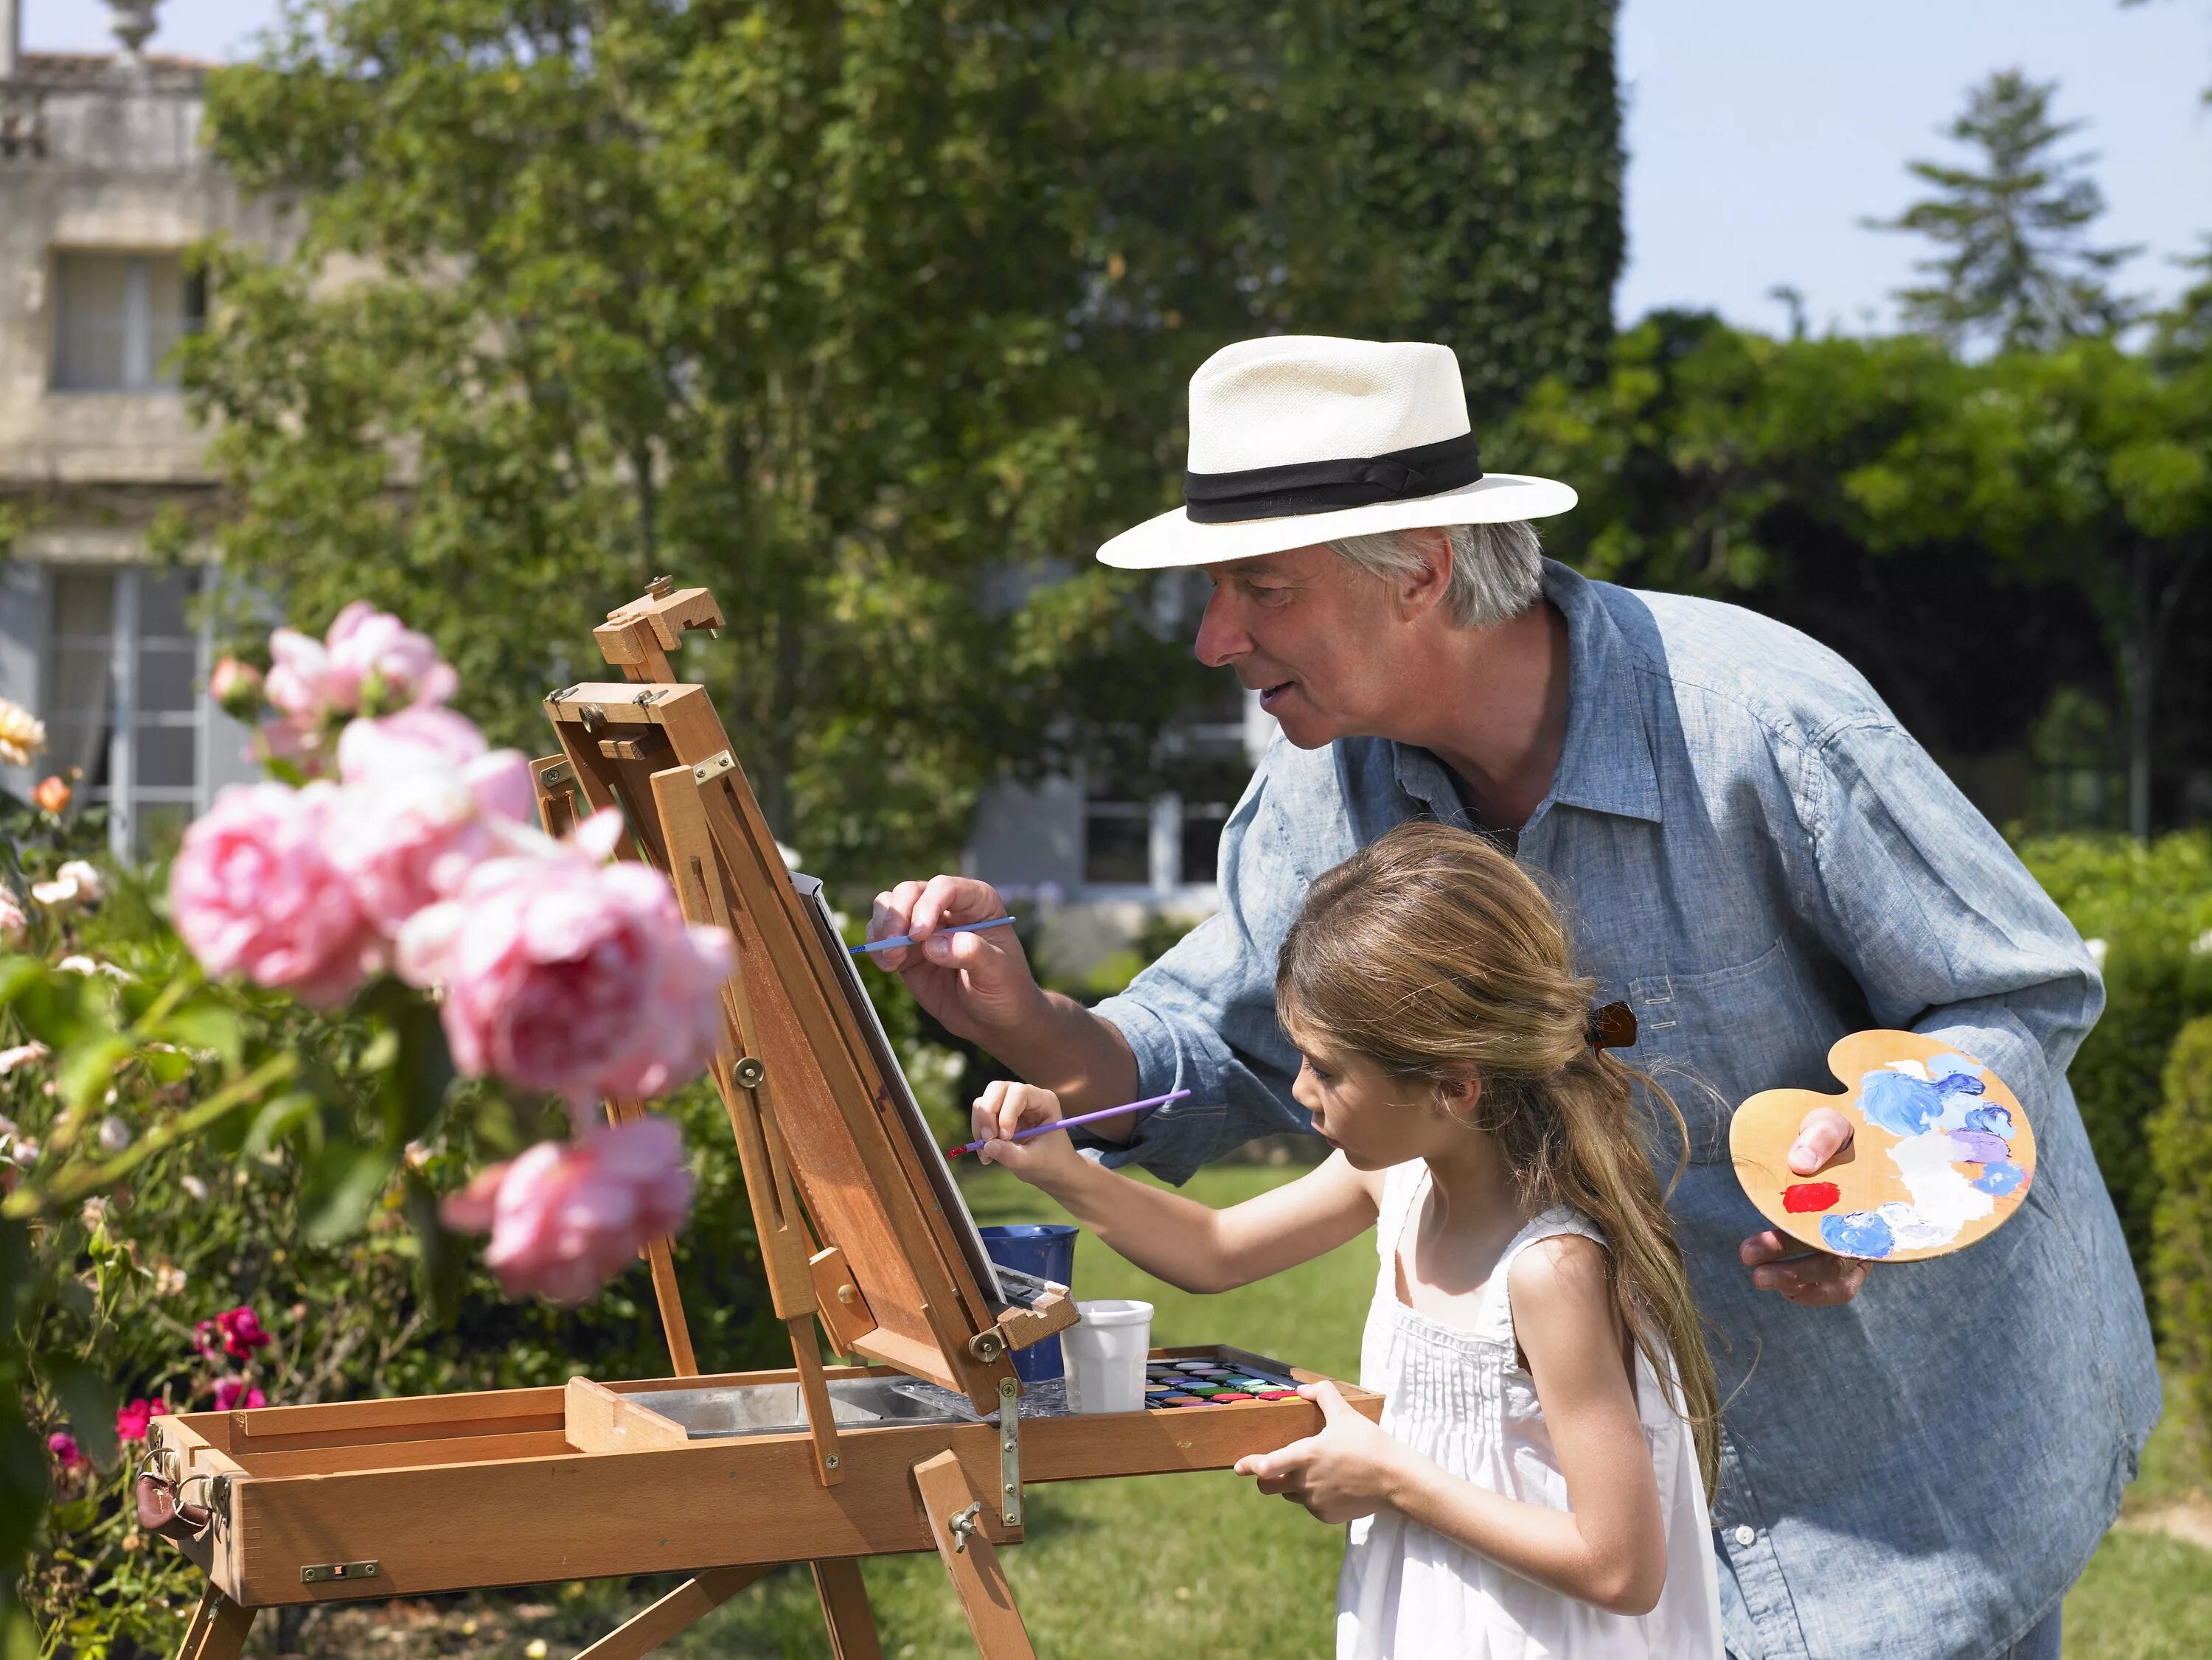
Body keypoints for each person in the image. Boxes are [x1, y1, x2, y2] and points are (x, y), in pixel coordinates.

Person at [869, 335, 2158, 1660]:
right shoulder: (1323, 788)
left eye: (1260, 587)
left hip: (1905, 1484)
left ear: (1421, 568)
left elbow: (2018, 992)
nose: (1216, 638)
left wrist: (1879, 1185)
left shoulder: (1762, 723)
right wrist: (1028, 1022)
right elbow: (1226, 1050)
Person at [974, 821, 1724, 1657]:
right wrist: (1061, 1170)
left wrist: (1389, 1476)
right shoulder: (1396, 1182)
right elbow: (1216, 1248)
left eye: (1325, 1068)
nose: (1300, 1092)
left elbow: (1622, 1566)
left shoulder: (1550, 1270)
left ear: (1453, 1086)